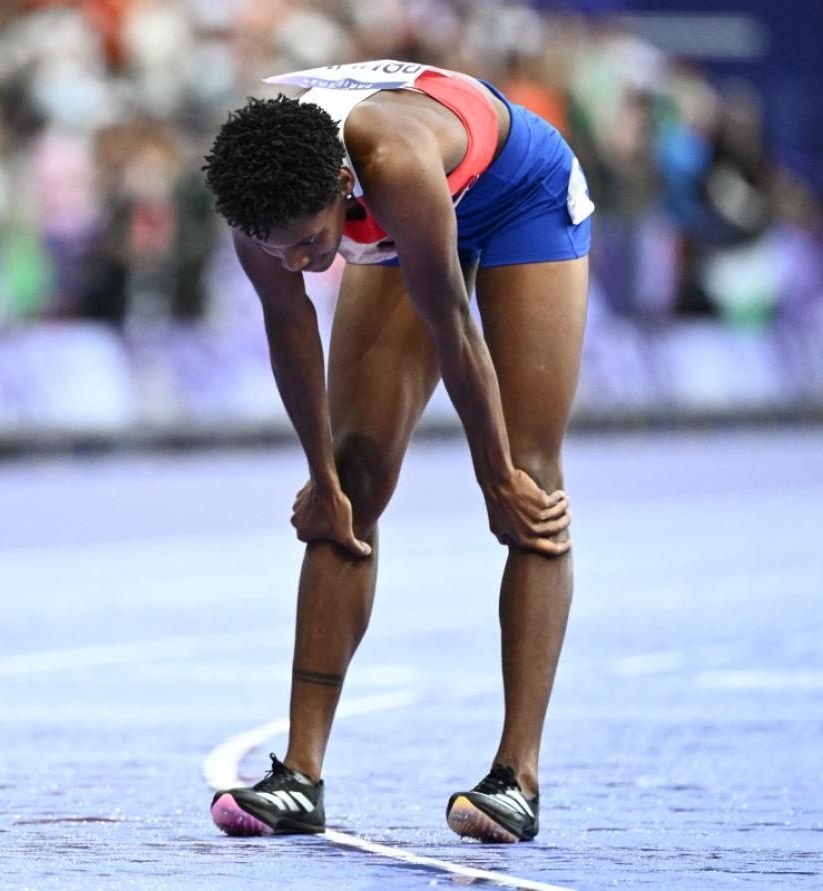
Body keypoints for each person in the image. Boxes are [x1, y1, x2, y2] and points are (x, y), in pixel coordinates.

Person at [202, 59, 593, 844]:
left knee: (530, 480)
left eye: (314, 244)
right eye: (282, 253)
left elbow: (452, 325)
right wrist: (320, 477)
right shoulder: (263, 217)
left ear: (344, 185)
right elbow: (290, 329)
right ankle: (300, 774)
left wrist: (495, 482)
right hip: (399, 220)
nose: (302, 264)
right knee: (353, 482)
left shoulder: (391, 163)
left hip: (520, 197)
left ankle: (518, 775)